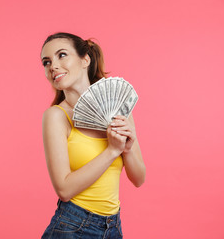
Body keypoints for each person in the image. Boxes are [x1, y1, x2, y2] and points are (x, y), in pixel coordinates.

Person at [40, 32, 146, 239]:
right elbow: (64, 189)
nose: (52, 66)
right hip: (73, 225)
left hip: (113, 226)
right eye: (46, 62)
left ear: (85, 59)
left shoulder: (119, 106)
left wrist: (128, 148)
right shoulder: (56, 116)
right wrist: (112, 150)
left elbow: (139, 179)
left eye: (62, 55)